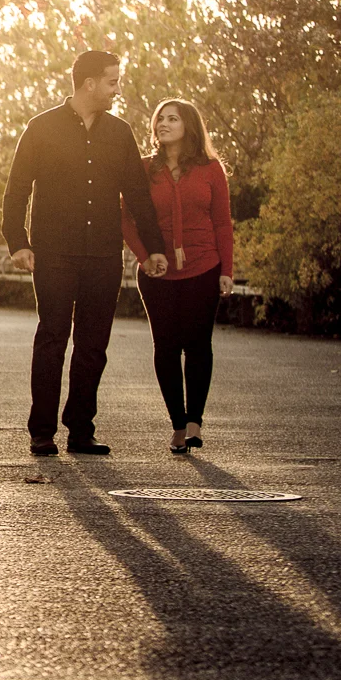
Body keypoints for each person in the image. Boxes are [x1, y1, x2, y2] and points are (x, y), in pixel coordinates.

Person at [3, 50, 168, 456]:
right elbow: (17, 190)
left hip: (103, 255)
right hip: (54, 252)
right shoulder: (41, 128)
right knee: (53, 338)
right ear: (89, 84)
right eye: (113, 81)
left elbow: (138, 197)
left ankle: (80, 430)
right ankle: (41, 432)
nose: (117, 89)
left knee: (93, 344)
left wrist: (153, 250)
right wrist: (18, 242)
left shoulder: (119, 132)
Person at [122, 99, 234, 455]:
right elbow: (124, 218)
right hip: (158, 273)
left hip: (204, 267)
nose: (163, 124)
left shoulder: (211, 169)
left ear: (189, 126)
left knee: (198, 345)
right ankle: (176, 425)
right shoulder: (143, 169)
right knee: (166, 348)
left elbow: (222, 222)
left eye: (172, 119)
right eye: (160, 119)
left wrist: (227, 270)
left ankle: (195, 422)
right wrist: (143, 256)